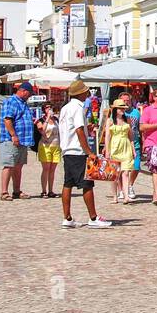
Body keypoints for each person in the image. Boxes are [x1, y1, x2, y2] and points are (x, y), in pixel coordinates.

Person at [57, 80, 111, 228]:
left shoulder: (66, 108)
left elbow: (72, 128)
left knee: (68, 183)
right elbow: (79, 130)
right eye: (86, 91)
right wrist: (89, 152)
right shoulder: (78, 108)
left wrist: (87, 128)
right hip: (78, 151)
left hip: (67, 150)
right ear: (80, 93)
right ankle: (93, 218)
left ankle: (67, 218)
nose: (88, 94)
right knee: (87, 184)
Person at [0, 81, 36, 201]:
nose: (29, 97)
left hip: (23, 141)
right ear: (23, 91)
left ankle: (16, 191)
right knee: (8, 165)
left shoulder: (23, 103)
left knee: (18, 166)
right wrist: (14, 135)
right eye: (29, 94)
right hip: (11, 140)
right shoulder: (12, 102)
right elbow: (7, 120)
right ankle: (4, 192)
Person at [103, 101, 136, 203]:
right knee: (114, 173)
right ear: (115, 110)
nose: (122, 110)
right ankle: (115, 196)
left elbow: (131, 135)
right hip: (115, 147)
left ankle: (126, 196)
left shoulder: (128, 120)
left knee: (125, 172)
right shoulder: (110, 121)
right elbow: (107, 136)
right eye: (120, 108)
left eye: (123, 108)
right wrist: (107, 150)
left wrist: (133, 148)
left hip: (126, 147)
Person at [36, 102, 62, 198]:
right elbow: (42, 130)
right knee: (46, 169)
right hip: (45, 146)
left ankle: (51, 190)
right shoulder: (40, 120)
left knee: (52, 170)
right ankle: (44, 190)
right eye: (47, 107)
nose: (49, 109)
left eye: (50, 107)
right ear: (44, 109)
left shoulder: (56, 120)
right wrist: (47, 118)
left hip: (56, 146)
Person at [124, 94, 143, 200]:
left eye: (128, 100)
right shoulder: (119, 113)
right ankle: (123, 189)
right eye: (124, 100)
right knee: (123, 169)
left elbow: (140, 128)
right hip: (122, 145)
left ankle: (130, 185)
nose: (126, 102)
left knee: (136, 166)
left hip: (135, 143)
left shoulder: (136, 112)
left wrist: (142, 141)